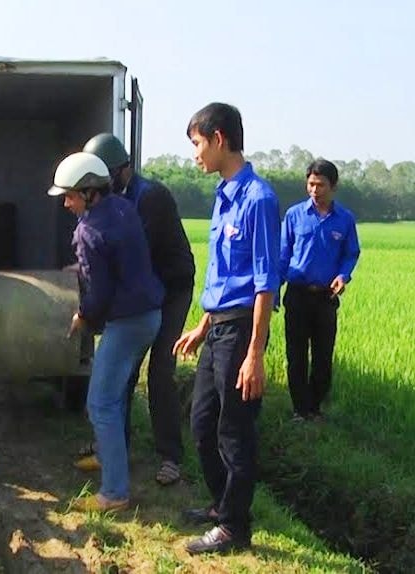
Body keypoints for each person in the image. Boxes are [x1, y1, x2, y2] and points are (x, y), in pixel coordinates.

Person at [174, 103, 280, 554]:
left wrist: (255, 353)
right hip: (217, 327)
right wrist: (202, 325)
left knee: (235, 430)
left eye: (198, 144)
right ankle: (222, 505)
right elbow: (221, 275)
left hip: (241, 333)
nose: (195, 154)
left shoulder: (259, 199)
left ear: (219, 139)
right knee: (201, 423)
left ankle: (235, 528)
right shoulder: (223, 195)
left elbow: (263, 282)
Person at [49, 152, 163, 513]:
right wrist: (83, 266)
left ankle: (114, 492)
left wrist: (82, 316)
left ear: (90, 193)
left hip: (126, 322)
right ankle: (108, 457)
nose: (66, 203)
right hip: (149, 315)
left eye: (70, 195)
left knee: (100, 403)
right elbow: (115, 261)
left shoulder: (88, 230)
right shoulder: (122, 208)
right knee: (113, 397)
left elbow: (98, 294)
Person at [80, 133, 195, 486]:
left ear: (122, 169)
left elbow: (134, 254)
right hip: (145, 289)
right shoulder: (116, 198)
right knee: (124, 370)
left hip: (171, 289)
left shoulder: (151, 197)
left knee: (160, 370)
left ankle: (170, 457)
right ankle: (115, 448)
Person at [280, 159, 360, 422]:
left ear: (333, 186)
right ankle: (299, 410)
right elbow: (283, 254)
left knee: (323, 357)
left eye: (321, 185)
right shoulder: (294, 215)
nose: (314, 190)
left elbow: (351, 253)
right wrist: (270, 290)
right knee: (297, 355)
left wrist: (343, 276)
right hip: (297, 294)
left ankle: (314, 407)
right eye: (311, 184)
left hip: (326, 297)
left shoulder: (345, 219)